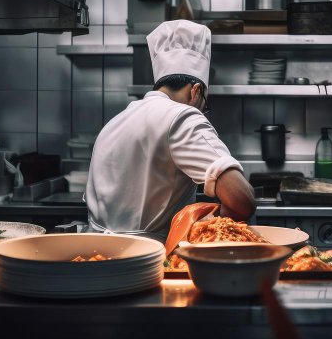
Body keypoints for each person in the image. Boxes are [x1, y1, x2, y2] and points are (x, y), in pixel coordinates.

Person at [83, 19, 255, 241]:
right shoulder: (182, 116)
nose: (202, 110)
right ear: (196, 91)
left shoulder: (114, 122)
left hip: (96, 255)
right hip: (150, 259)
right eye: (205, 105)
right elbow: (242, 200)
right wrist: (207, 220)